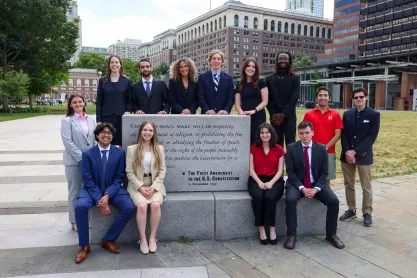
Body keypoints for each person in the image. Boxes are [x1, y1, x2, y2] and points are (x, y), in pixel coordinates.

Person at [74, 123, 135, 264]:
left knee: (129, 207)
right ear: (97, 135)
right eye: (103, 132)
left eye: (109, 133)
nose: (106, 135)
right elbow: (87, 179)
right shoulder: (87, 153)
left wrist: (107, 196)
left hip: (113, 189)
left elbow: (119, 177)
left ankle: (108, 240)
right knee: (80, 207)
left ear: (112, 136)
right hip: (91, 190)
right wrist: (100, 201)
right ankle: (84, 246)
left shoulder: (120, 153)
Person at [284, 121, 344, 250]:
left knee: (334, 201)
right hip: (297, 184)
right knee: (290, 200)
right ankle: (291, 235)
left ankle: (331, 234)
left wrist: (316, 189)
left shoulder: (321, 148)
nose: (304, 136)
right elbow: (291, 172)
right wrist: (302, 188)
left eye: (307, 133)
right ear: (298, 134)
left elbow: (324, 172)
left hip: (317, 184)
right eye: (301, 133)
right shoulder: (291, 148)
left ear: (312, 133)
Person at [339, 88, 380, 227]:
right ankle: (351, 209)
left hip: (363, 155)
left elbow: (371, 137)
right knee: (348, 184)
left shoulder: (374, 114)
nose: (359, 99)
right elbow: (343, 134)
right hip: (347, 155)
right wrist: (347, 152)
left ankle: (367, 212)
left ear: (366, 98)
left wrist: (355, 152)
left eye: (361, 97)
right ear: (353, 99)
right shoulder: (347, 114)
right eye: (356, 97)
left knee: (366, 186)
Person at [126, 121, 166, 254]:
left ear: (154, 133)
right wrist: (140, 187)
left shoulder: (159, 149)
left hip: (155, 185)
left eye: (150, 130)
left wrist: (154, 188)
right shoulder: (132, 149)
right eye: (145, 130)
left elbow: (162, 170)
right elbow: (129, 172)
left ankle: (152, 238)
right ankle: (143, 239)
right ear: (140, 132)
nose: (147, 133)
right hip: (137, 186)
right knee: (142, 206)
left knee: (155, 205)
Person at [61, 93, 96, 232]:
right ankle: (74, 220)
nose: (78, 104)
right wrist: (82, 158)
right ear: (70, 105)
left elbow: (94, 139)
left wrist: (93, 157)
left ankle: (86, 217)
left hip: (89, 161)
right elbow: (67, 142)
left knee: (87, 190)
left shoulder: (91, 120)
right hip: (74, 162)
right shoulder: (67, 121)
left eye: (80, 102)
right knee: (74, 191)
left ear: (84, 103)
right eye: (74, 102)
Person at [249, 123, 285, 245]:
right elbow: (251, 170)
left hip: (275, 179)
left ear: (271, 133)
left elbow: (280, 171)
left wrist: (271, 183)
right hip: (256, 179)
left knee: (270, 197)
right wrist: (259, 182)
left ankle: (271, 228)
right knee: (258, 197)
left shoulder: (279, 149)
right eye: (262, 133)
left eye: (267, 132)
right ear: (259, 135)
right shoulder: (254, 148)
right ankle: (261, 229)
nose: (264, 135)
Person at [303, 86, 343, 185]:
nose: (323, 97)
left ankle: (325, 199)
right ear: (316, 97)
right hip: (311, 151)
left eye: (325, 95)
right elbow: (304, 133)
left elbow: (338, 134)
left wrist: (324, 147)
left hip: (328, 151)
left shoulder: (335, 115)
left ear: (329, 98)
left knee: (326, 179)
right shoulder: (309, 114)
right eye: (320, 95)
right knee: (311, 177)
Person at [96, 55, 133, 146]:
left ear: (120, 65)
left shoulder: (126, 81)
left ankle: (121, 160)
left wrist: (128, 111)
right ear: (109, 65)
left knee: (122, 142)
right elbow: (99, 101)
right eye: (112, 62)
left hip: (122, 117)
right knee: (107, 142)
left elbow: (130, 99)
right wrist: (98, 120)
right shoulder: (102, 81)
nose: (114, 64)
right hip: (106, 118)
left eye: (116, 62)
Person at [266, 52, 300, 148]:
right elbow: (267, 99)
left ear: (289, 61)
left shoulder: (295, 78)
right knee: (276, 144)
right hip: (275, 118)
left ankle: (290, 163)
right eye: (280, 58)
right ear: (277, 61)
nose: (283, 61)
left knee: (291, 143)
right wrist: (273, 114)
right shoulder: (269, 79)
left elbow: (294, 97)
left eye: (286, 58)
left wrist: (283, 115)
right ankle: (277, 163)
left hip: (289, 117)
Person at [235, 57, 268, 143]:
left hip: (258, 117)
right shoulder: (240, 85)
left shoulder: (261, 83)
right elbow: (237, 104)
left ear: (256, 70)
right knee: (244, 142)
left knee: (258, 142)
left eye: (253, 67)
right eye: (249, 66)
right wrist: (241, 112)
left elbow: (265, 101)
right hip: (244, 117)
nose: (251, 68)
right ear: (244, 68)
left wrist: (254, 110)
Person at [197, 49, 234, 115]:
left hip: (223, 116)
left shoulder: (229, 78)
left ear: (222, 61)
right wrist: (207, 110)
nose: (216, 61)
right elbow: (200, 96)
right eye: (214, 59)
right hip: (206, 115)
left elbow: (230, 97)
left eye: (219, 59)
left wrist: (226, 110)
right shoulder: (202, 77)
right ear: (209, 61)